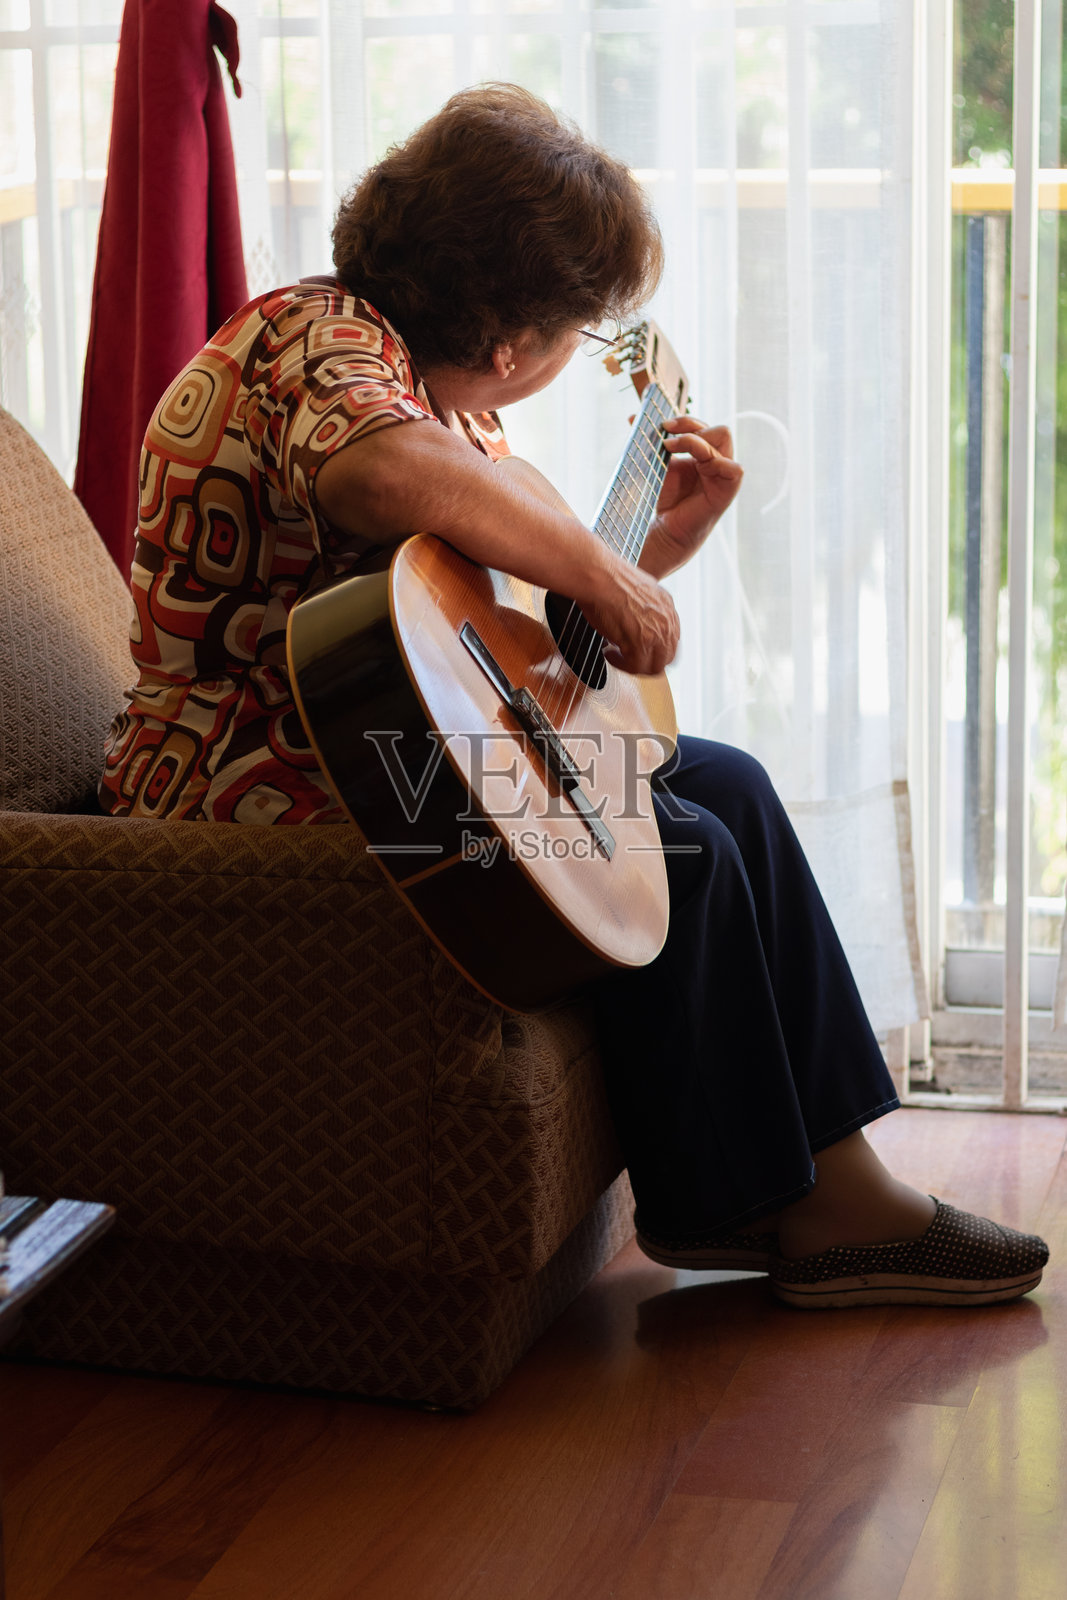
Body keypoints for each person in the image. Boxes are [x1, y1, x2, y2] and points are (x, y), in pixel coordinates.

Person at [100, 83, 1048, 1309]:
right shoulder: (319, 342)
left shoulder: (440, 394)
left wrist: (639, 555)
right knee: (678, 848)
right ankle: (745, 1205)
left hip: (373, 748)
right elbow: (380, 470)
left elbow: (465, 652)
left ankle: (838, 1176)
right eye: (576, 332)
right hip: (248, 779)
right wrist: (600, 567)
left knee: (730, 788)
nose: (574, 358)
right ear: (510, 337)